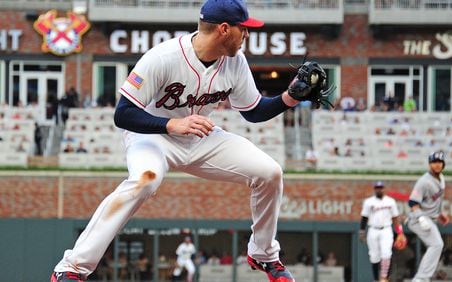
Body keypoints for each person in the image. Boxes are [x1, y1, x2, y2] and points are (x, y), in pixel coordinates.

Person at [50, 0, 303, 281]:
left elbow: (254, 111)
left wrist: (290, 96)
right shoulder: (163, 57)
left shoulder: (235, 62)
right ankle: (72, 267)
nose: (246, 35)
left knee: (270, 173)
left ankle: (264, 255)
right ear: (224, 29)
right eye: (243, 29)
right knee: (145, 180)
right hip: (152, 136)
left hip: (199, 137)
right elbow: (123, 114)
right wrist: (172, 124)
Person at [407, 151, 450, 282]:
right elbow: (412, 202)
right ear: (429, 164)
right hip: (417, 219)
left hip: (430, 218)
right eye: (434, 162)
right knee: (437, 244)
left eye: (439, 162)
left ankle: (422, 278)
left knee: (435, 245)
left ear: (443, 164)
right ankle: (421, 278)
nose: (437, 165)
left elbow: (436, 200)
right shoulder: (424, 181)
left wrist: (440, 213)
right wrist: (421, 218)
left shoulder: (441, 178)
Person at [359, 181, 404, 282]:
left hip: (386, 229)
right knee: (374, 256)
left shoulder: (390, 201)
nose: (379, 189)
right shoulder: (369, 202)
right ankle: (376, 279)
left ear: (384, 189)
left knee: (386, 253)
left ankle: (384, 278)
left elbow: (395, 218)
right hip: (373, 229)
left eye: (381, 187)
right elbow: (364, 217)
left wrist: (400, 232)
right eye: (377, 188)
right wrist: (362, 231)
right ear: (375, 189)